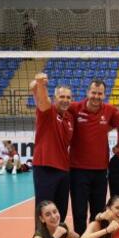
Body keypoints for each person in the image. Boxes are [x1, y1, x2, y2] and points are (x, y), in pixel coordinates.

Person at [68, 79, 118, 235]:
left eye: (100, 93)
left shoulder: (110, 110)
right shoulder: (74, 108)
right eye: (93, 93)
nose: (96, 96)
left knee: (98, 212)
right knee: (79, 212)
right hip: (77, 170)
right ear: (87, 92)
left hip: (100, 171)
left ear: (104, 95)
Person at [30, 74, 73, 222]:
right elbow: (42, 99)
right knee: (44, 211)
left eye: (68, 97)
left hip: (64, 170)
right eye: (62, 97)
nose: (65, 100)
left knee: (60, 212)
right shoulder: (48, 112)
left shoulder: (69, 118)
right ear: (55, 98)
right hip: (45, 168)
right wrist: (40, 84)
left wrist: (35, 87)